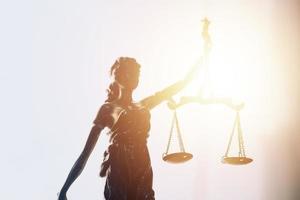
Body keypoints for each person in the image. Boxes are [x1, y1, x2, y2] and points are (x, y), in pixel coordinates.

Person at [58, 57, 197, 200]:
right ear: (119, 76)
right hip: (120, 163)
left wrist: (204, 53)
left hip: (142, 162)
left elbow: (183, 83)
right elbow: (85, 153)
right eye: (131, 72)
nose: (136, 77)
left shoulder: (143, 105)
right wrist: (64, 190)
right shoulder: (108, 109)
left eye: (137, 74)